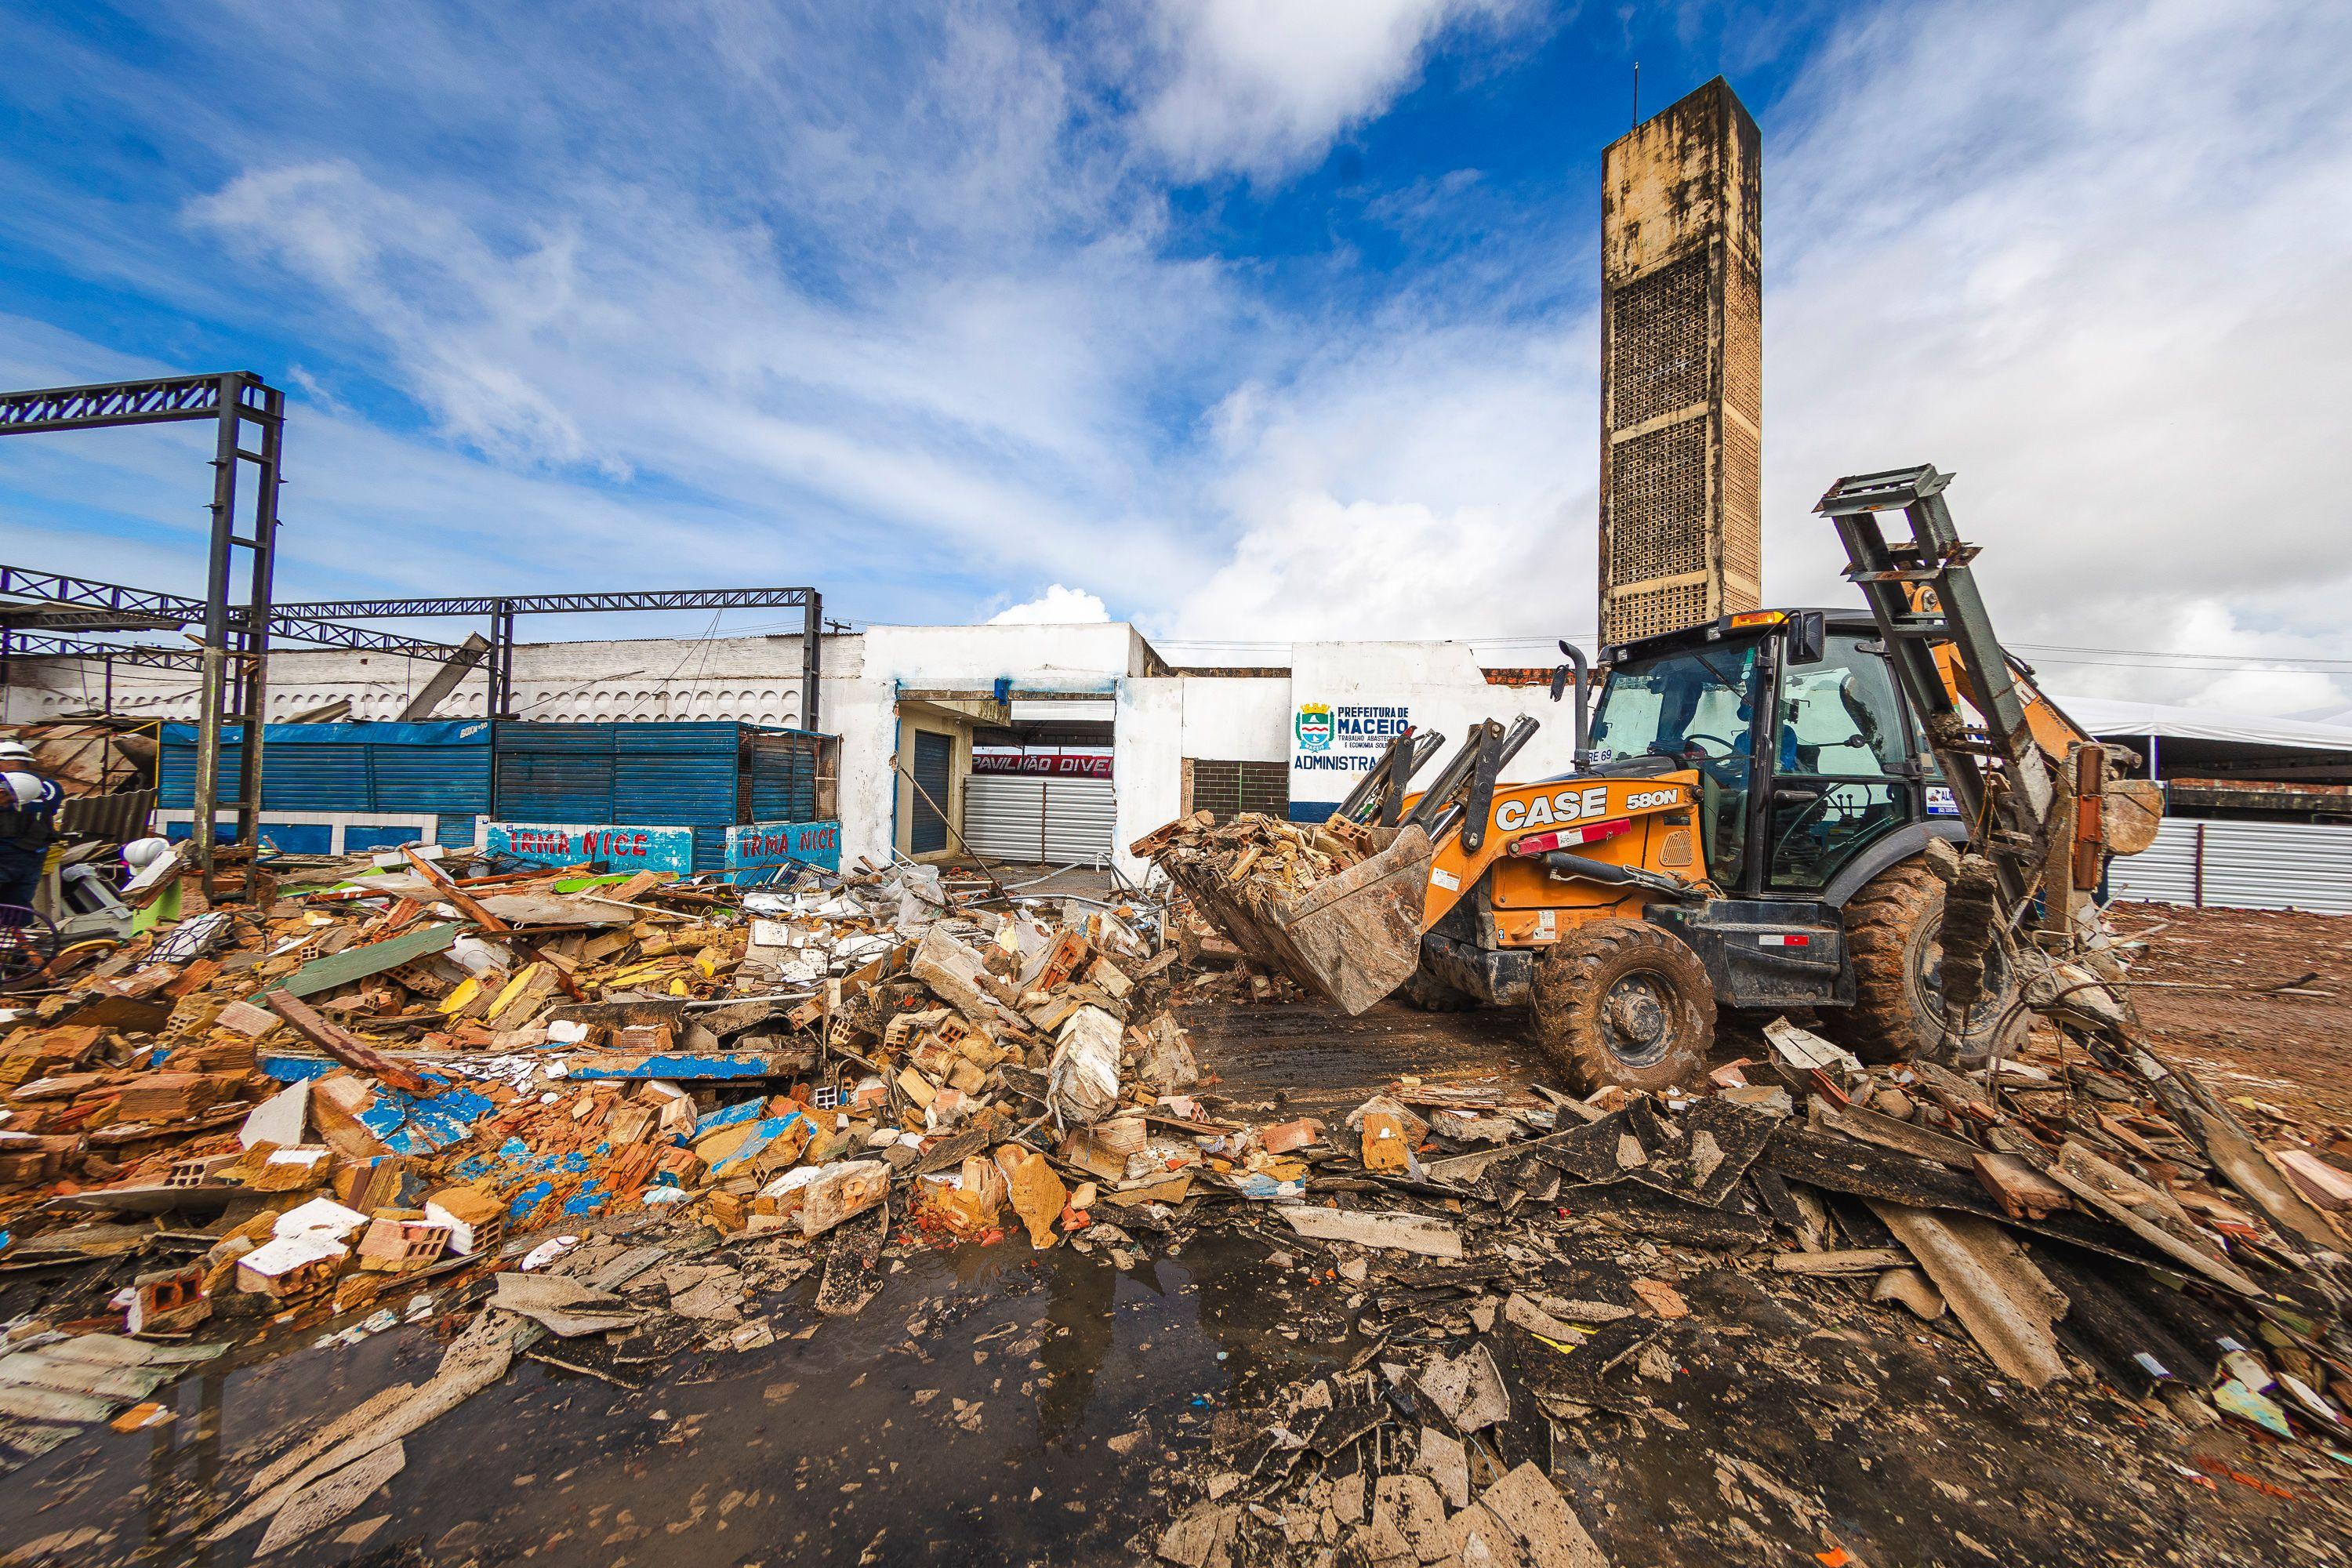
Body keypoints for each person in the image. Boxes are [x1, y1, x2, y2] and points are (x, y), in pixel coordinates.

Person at [0, 741, 64, 922]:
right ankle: (20, 945)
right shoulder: (51, 786)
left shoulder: (6, 786)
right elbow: (49, 808)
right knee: (17, 907)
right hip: (33, 854)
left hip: (6, 852)